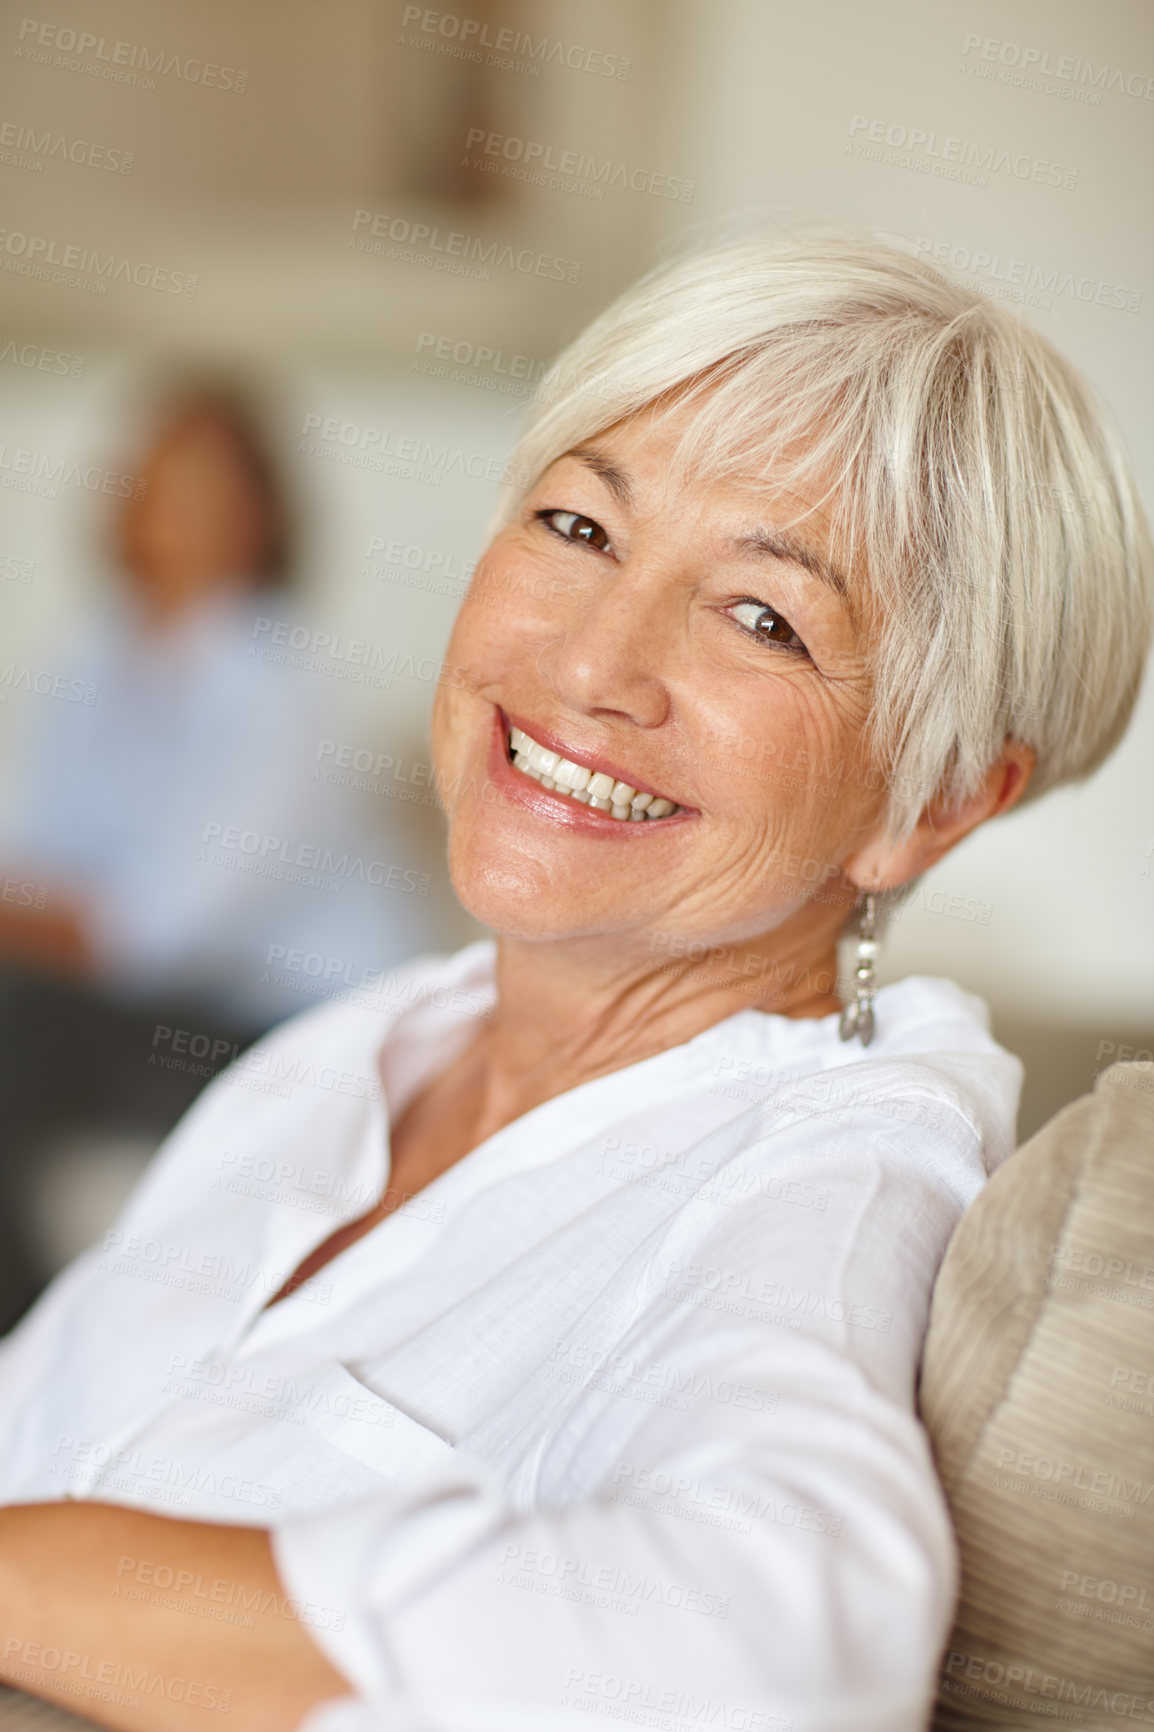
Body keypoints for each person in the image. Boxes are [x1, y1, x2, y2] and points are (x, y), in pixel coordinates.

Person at [0, 231, 1148, 1732]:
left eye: (762, 619)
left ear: (925, 807)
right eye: (577, 527)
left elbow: (784, 1658)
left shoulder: (831, 1174)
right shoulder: (352, 1050)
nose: (593, 661)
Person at [0, 384, 438, 1329]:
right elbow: (32, 862)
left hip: (289, 1031)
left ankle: (32, 1340)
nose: (172, 510)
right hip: (149, 1009)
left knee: (13, 1017)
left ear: (263, 518)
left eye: (206, 489)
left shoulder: (279, 681)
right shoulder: (91, 662)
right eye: (157, 481)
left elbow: (150, 935)